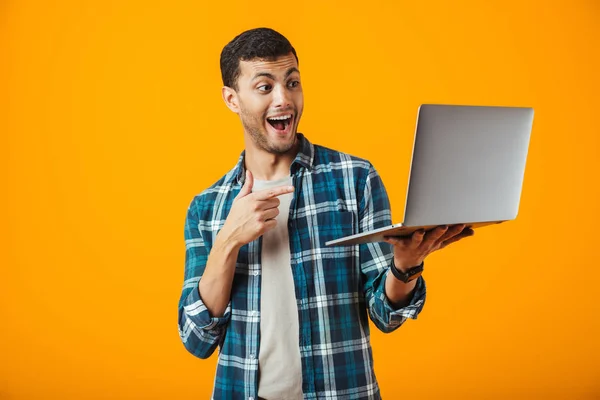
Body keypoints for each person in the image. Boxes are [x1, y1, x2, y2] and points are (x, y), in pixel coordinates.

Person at [177, 27, 473, 400]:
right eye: (265, 87)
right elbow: (196, 338)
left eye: (293, 82)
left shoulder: (355, 180)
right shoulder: (207, 208)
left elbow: (387, 315)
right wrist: (228, 241)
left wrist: (405, 266)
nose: (284, 100)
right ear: (232, 99)